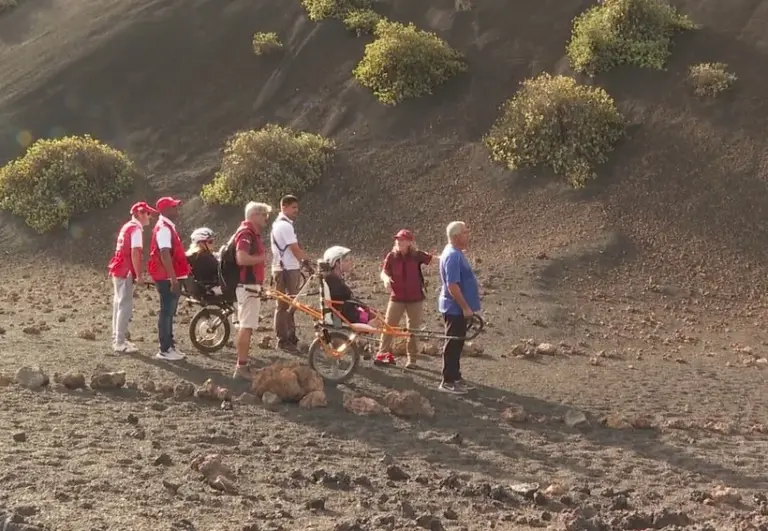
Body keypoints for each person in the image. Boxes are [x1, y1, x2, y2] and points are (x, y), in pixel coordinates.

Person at [376, 229, 433, 368]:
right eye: (397, 240)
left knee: (413, 330)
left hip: (415, 298)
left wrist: (450, 255)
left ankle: (411, 360)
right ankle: (382, 354)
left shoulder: (416, 255)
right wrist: (386, 279)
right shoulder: (392, 256)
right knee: (389, 325)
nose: (399, 242)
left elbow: (432, 259)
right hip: (397, 297)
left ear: (409, 242)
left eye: (402, 240)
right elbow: (384, 271)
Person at [107, 201, 157, 354]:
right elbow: (135, 253)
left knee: (118, 304)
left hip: (119, 268)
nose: (149, 216)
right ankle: (119, 342)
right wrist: (139, 275)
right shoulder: (135, 229)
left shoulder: (127, 226)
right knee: (125, 306)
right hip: (125, 271)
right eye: (147, 213)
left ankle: (118, 338)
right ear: (139, 214)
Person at [438, 221, 481, 395]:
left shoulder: (456, 253)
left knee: (457, 343)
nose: (468, 234)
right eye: (465, 232)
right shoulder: (453, 256)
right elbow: (452, 285)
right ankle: (447, 380)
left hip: (457, 308)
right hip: (454, 308)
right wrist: (465, 307)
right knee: (453, 343)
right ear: (456, 236)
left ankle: (455, 377)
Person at [147, 196, 191, 361]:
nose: (176, 210)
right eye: (173, 207)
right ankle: (165, 349)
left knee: (169, 312)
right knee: (166, 312)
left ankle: (169, 346)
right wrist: (173, 280)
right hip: (166, 276)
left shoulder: (166, 227)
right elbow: (165, 254)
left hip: (168, 275)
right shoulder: (164, 228)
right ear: (165, 210)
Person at [231, 201, 270, 380]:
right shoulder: (247, 234)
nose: (266, 218)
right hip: (247, 285)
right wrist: (261, 258)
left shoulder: (249, 233)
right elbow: (241, 258)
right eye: (263, 215)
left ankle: (243, 363)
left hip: (248, 285)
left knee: (245, 325)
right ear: (254, 215)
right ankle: (241, 366)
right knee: (246, 326)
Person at [270, 194, 311, 353]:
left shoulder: (280, 225)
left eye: (296, 207)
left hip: (284, 268)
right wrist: (307, 262)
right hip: (286, 269)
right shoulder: (285, 226)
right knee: (284, 306)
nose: (296, 211)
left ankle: (289, 336)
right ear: (283, 207)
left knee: (288, 304)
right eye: (293, 207)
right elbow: (295, 249)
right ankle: (283, 339)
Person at [321, 245, 370, 324]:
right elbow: (345, 300)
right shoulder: (333, 280)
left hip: (343, 312)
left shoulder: (332, 278)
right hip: (345, 315)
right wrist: (365, 308)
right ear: (337, 263)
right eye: (346, 261)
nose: (350, 263)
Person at [185, 227, 220, 297]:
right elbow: (219, 268)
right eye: (210, 242)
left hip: (199, 289)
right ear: (201, 243)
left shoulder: (192, 256)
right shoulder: (204, 257)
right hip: (210, 289)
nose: (213, 244)